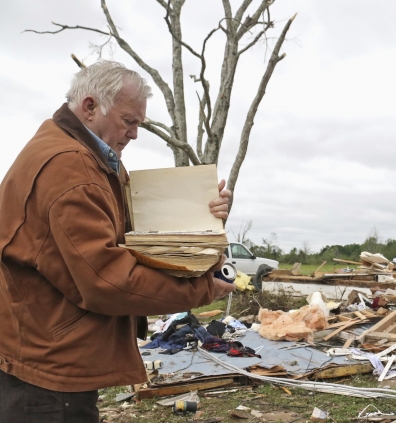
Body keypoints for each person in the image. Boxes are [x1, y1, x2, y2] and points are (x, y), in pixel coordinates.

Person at [0, 61, 236, 422]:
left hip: (42, 354)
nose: (135, 133)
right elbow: (107, 280)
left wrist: (205, 220)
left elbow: (136, 237)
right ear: (90, 107)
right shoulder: (71, 168)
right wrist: (203, 288)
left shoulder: (84, 157)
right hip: (50, 372)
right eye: (129, 121)